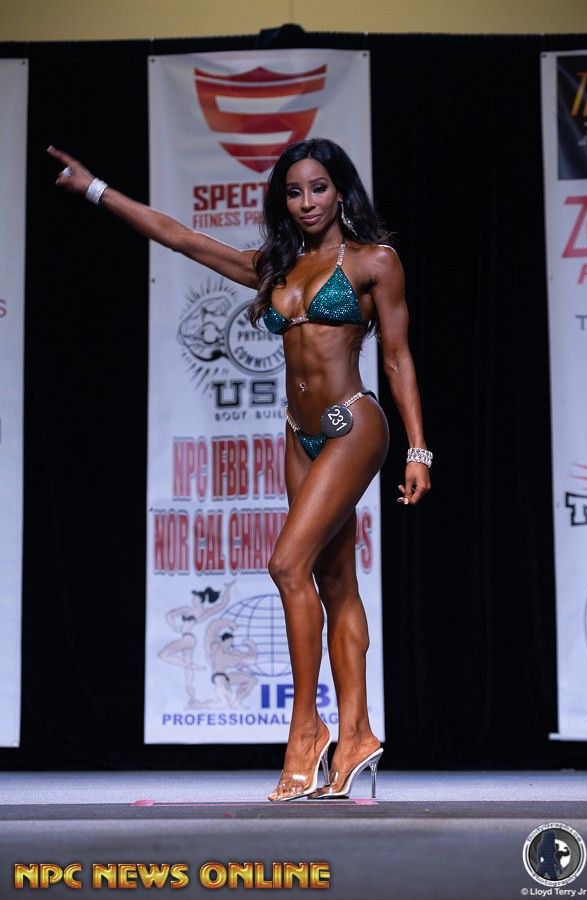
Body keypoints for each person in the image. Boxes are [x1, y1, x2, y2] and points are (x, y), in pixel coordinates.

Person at [48, 138, 431, 802]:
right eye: (294, 192)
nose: (307, 202)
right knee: (334, 581)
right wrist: (94, 189)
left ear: (341, 191)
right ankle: (358, 734)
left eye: (318, 188)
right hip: (299, 437)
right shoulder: (274, 268)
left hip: (352, 425)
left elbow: (397, 357)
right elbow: (178, 236)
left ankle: (306, 730)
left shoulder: (374, 261)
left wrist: (418, 448)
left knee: (286, 565)